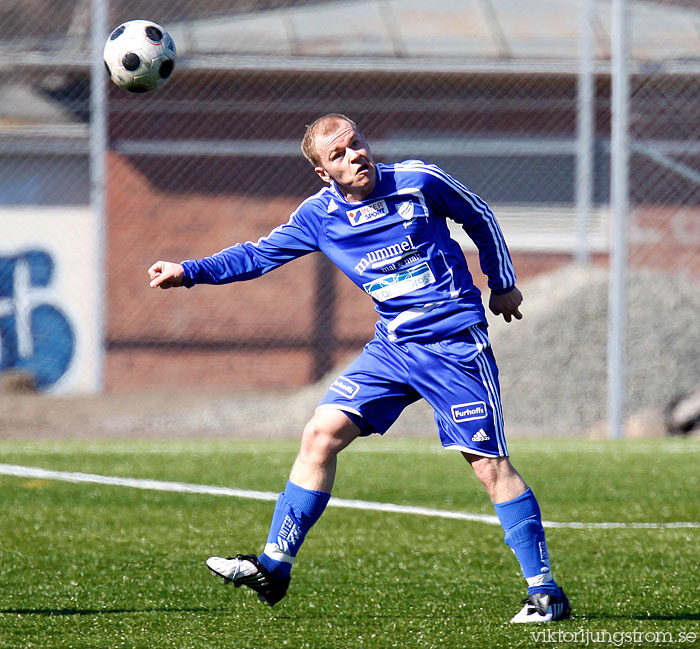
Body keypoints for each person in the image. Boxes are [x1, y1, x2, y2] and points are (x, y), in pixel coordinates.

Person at [148, 113, 571, 623]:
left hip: (454, 345)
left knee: (487, 466)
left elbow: (478, 215)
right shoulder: (317, 216)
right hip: (392, 347)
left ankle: (545, 594)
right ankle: (274, 566)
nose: (355, 156)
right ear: (324, 174)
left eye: (357, 144)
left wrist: (501, 281)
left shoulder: (419, 180)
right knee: (320, 434)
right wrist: (186, 272)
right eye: (339, 155)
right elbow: (257, 256)